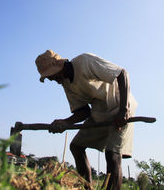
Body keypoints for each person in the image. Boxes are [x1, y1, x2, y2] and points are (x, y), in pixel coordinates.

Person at [35, 50, 138, 190]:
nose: (51, 79)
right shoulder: (67, 85)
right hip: (99, 112)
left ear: (59, 67)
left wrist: (123, 110)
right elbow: (83, 112)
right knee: (76, 147)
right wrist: (65, 122)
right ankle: (87, 187)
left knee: (112, 154)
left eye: (50, 75)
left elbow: (121, 74)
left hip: (120, 107)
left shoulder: (84, 62)